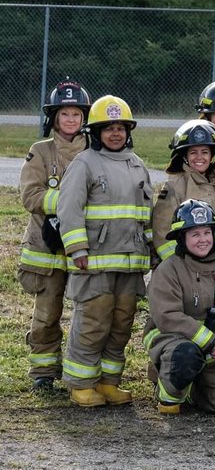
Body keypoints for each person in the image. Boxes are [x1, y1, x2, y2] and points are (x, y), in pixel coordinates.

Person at [56, 94, 154, 407]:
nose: (115, 133)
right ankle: (81, 384)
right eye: (108, 128)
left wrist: (150, 251)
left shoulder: (137, 164)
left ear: (129, 131)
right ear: (95, 133)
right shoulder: (84, 163)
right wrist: (77, 248)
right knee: (93, 321)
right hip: (93, 261)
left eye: (121, 128)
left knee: (121, 324)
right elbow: (68, 208)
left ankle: (109, 382)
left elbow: (146, 213)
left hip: (130, 263)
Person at [145, 200, 215, 415]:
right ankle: (168, 392)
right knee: (185, 357)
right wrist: (211, 341)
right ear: (181, 238)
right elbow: (167, 316)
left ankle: (199, 388)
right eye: (194, 234)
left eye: (207, 232)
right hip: (175, 341)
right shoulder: (169, 270)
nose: (203, 240)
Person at [18, 79, 90, 392]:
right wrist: (66, 203)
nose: (71, 120)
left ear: (85, 118)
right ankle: (43, 372)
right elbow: (30, 195)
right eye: (65, 114)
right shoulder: (40, 151)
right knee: (47, 313)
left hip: (84, 246)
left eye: (76, 114)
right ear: (54, 118)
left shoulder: (94, 151)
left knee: (87, 312)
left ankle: (82, 370)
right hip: (46, 248)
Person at [151, 119, 215, 273]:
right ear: (184, 156)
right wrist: (180, 268)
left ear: (213, 156)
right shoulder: (174, 187)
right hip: (190, 269)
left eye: (204, 152)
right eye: (193, 152)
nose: (199, 157)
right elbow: (161, 234)